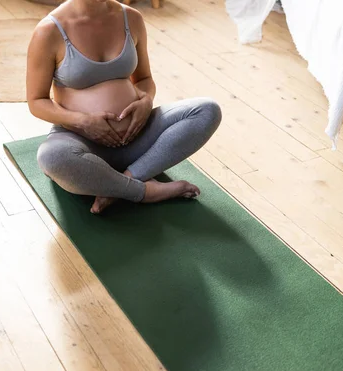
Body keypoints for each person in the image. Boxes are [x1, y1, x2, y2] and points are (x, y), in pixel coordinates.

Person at [26, 0, 222, 214]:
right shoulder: (49, 31)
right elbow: (37, 101)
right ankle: (144, 192)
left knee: (207, 110)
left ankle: (123, 183)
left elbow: (145, 79)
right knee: (53, 157)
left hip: (138, 136)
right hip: (82, 142)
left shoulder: (132, 18)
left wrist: (146, 101)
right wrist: (83, 121)